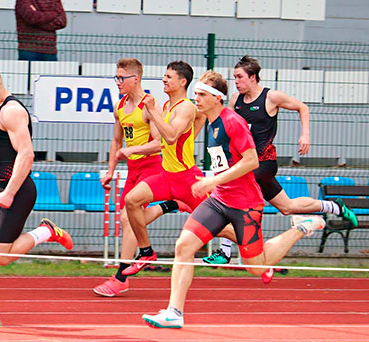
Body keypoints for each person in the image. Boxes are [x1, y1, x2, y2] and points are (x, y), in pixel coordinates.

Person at [141, 71, 326, 329]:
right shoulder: (209, 121)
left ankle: (300, 227)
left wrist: (211, 180)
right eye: (196, 94)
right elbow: (171, 137)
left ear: (217, 98)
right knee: (184, 246)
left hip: (245, 205)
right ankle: (174, 312)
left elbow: (251, 161)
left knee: (256, 268)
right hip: (218, 201)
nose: (197, 99)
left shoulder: (232, 122)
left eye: (202, 95)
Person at [203, 56, 357, 283]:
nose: (235, 81)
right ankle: (334, 206)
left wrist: (305, 134)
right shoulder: (236, 99)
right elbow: (226, 123)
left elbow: (302, 107)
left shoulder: (271, 97)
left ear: (253, 77)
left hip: (263, 162)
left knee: (232, 192)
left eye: (240, 77)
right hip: (245, 163)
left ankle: (225, 251)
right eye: (234, 77)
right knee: (288, 206)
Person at [0, 64, 73, 331]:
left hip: (16, 191)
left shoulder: (13, 111)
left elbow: (26, 154)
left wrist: (9, 192)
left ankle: (45, 231)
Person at [93, 58, 189, 297]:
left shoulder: (149, 105)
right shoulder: (119, 106)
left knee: (128, 218)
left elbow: (159, 144)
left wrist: (133, 150)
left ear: (135, 79)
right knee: (128, 218)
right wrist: (111, 171)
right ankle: (171, 204)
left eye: (121, 78)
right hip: (133, 169)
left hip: (152, 167)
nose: (117, 82)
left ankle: (121, 277)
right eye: (116, 78)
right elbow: (117, 141)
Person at [121, 61, 208, 276]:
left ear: (182, 81)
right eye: (164, 75)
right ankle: (146, 252)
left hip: (187, 179)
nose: (163, 80)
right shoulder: (168, 106)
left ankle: (255, 246)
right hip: (167, 176)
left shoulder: (186, 106)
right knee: (131, 201)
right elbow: (166, 139)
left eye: (168, 77)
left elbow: (169, 137)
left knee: (219, 223)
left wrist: (152, 111)